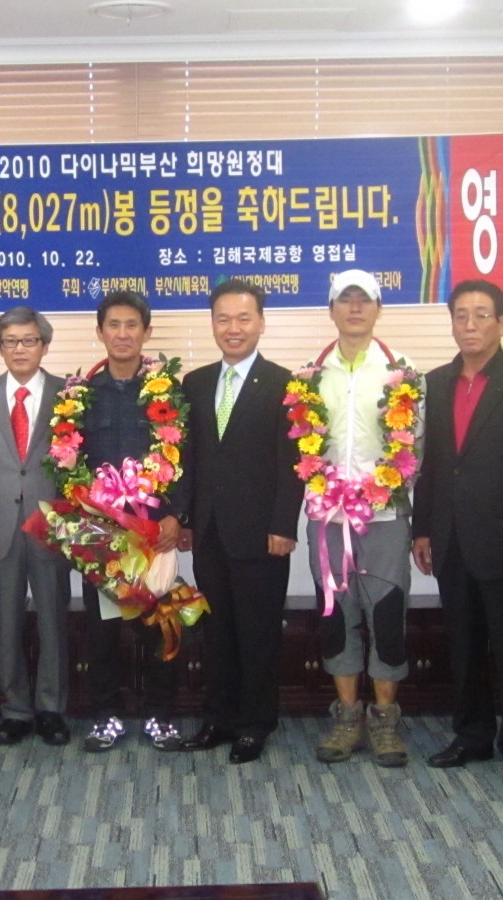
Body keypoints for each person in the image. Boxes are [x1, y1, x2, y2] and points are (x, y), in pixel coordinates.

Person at [411, 279, 503, 784]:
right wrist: (423, 529)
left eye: (481, 315)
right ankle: (472, 735)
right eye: (461, 315)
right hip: (451, 539)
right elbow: (431, 464)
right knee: (464, 645)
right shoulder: (434, 383)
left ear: (502, 322)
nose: (470, 325)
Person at [178, 278, 303, 764]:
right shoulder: (195, 383)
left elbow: (293, 464)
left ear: (261, 323)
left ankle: (255, 724)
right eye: (223, 318)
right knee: (216, 631)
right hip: (209, 531)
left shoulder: (286, 384)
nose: (233, 328)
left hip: (262, 533)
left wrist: (284, 526)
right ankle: (218, 718)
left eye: (243, 318)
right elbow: (189, 459)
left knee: (258, 631)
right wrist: (185, 519)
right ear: (212, 324)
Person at [306, 271, 424, 769]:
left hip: (385, 517)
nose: (354, 308)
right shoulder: (311, 376)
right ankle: (347, 716)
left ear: (378, 309)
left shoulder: (403, 373)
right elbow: (303, 449)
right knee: (337, 617)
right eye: (345, 300)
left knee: (387, 616)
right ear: (331, 309)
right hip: (328, 519)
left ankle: (385, 719)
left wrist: (386, 491)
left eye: (364, 300)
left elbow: (417, 448)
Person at [73, 290, 184, 753]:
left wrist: (177, 515)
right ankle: (106, 715)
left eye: (131, 325)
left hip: (155, 535)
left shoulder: (169, 392)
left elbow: (186, 458)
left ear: (146, 332)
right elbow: (68, 464)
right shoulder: (80, 397)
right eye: (113, 325)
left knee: (160, 627)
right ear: (100, 333)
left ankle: (161, 715)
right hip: (101, 537)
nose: (123, 334)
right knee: (102, 633)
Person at [0, 306, 72, 747]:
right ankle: (15, 709)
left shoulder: (69, 395)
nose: (20, 349)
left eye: (29, 340)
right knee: (5, 623)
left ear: (44, 345)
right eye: (10, 341)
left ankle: (51, 709)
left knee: (53, 621)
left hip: (52, 527)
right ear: (0, 347)